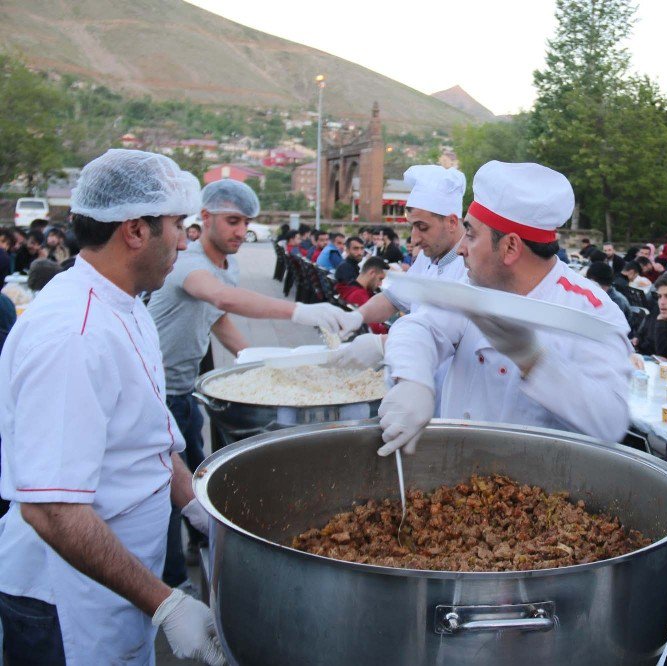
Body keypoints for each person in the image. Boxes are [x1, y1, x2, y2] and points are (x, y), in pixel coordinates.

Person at [0, 149, 224, 665]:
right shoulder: (74, 337)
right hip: (65, 602)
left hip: (118, 584)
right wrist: (166, 604)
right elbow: (51, 510)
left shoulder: (124, 301)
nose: (185, 240)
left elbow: (144, 436)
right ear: (135, 231)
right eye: (177, 225)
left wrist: (198, 508)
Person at [147, 179, 347, 587]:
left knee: (197, 477)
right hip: (155, 394)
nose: (241, 232)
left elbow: (216, 318)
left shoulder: (229, 265)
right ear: (204, 218)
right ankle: (170, 584)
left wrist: (256, 363)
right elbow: (220, 299)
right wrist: (300, 312)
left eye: (246, 223)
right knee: (163, 493)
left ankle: (197, 544)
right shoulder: (189, 264)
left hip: (185, 391)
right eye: (232, 221)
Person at [376, 160, 632, 456]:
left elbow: (610, 421)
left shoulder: (592, 311)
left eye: (470, 235)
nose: (461, 248)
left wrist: (534, 360)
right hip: (450, 470)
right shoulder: (473, 285)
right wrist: (413, 380)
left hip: (536, 491)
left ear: (510, 247)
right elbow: (420, 327)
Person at [321, 165, 468, 345]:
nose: (414, 239)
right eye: (412, 227)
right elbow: (394, 298)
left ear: (452, 222)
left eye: (423, 227)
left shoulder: (470, 267)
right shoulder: (428, 256)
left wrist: (380, 345)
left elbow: (440, 333)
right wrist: (356, 317)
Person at [337, 257, 390, 334]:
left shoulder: (350, 288)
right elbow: (375, 330)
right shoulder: (360, 296)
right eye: (380, 279)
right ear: (372, 273)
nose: (380, 284)